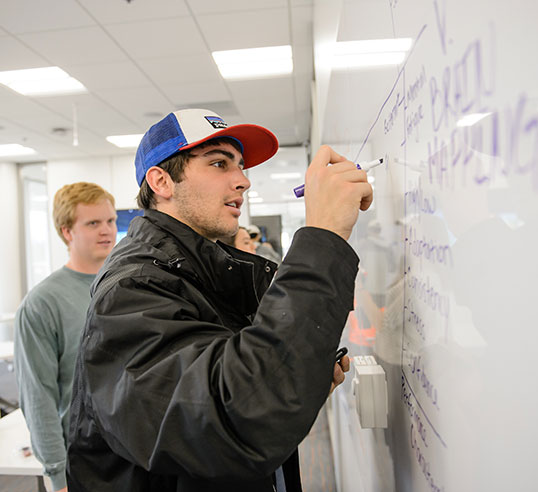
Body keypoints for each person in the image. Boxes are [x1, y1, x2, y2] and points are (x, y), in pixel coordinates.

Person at [67, 108, 373, 492]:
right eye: (219, 163)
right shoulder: (134, 289)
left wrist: (294, 375)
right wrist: (323, 234)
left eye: (241, 166)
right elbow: (231, 418)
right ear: (161, 181)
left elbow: (240, 386)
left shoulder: (204, 271)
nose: (242, 180)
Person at [14, 182, 117, 492]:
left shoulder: (128, 286)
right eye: (93, 223)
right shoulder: (43, 302)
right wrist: (58, 476)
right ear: (67, 231)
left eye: (110, 221)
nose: (107, 231)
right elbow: (38, 398)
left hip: (132, 455)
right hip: (80, 463)